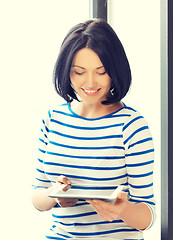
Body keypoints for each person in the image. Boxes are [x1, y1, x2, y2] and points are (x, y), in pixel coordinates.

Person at [32, 19, 156, 240]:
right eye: (79, 72)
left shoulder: (131, 126)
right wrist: (54, 195)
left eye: (101, 71)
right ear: (66, 71)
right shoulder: (53, 119)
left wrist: (122, 210)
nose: (89, 83)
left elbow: (148, 216)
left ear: (114, 70)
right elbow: (37, 196)